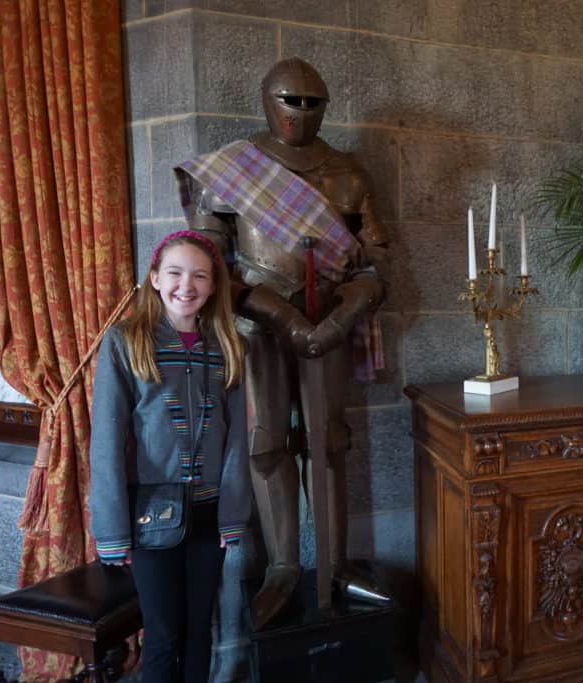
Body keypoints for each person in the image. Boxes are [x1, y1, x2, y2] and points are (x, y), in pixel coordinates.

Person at [173, 57, 390, 627]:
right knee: (266, 443)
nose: (300, 112)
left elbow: (377, 258)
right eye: (290, 100)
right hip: (257, 325)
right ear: (267, 100)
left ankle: (336, 565)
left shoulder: (347, 172)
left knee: (330, 442)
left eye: (311, 102)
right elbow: (209, 262)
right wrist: (279, 314)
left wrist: (341, 316)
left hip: (330, 323)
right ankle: (283, 568)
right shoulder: (230, 171)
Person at [89, 230, 249, 683]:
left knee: (201, 630)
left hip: (209, 515)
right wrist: (112, 530)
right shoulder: (125, 341)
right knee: (163, 635)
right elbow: (106, 439)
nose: (187, 285)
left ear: (214, 286)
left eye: (200, 275)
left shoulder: (228, 346)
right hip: (148, 517)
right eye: (175, 273)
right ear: (155, 279)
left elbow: (237, 437)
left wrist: (231, 517)